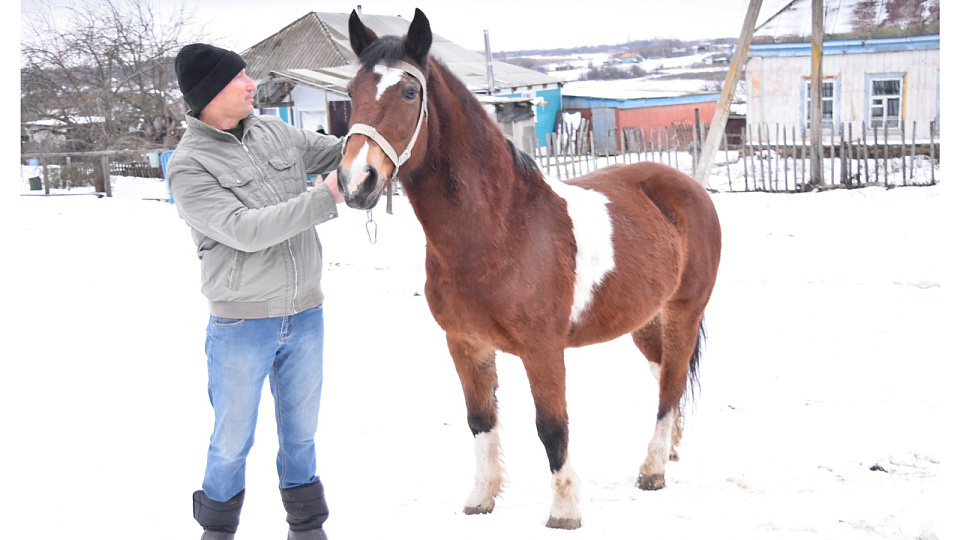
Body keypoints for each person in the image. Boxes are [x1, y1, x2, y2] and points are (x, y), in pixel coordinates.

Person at [167, 43, 344, 540]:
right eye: (239, 78)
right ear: (208, 94)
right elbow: (244, 229)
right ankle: (218, 531)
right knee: (231, 440)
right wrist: (323, 198)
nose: (252, 85)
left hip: (306, 313)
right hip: (242, 323)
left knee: (301, 434)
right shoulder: (188, 166)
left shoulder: (273, 131)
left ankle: (307, 528)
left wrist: (378, 126)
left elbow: (338, 153)